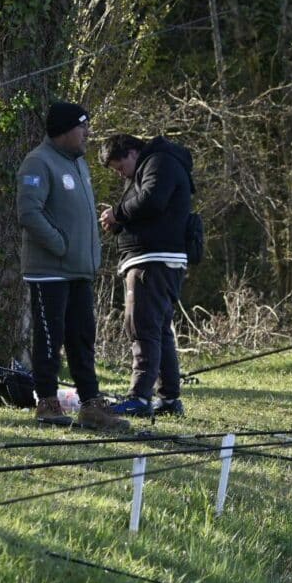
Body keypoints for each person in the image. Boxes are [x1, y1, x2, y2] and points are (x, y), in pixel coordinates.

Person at [16, 102, 129, 433]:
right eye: (82, 128)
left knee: (82, 339)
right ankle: (47, 403)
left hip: (79, 271)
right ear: (64, 130)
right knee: (49, 339)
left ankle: (91, 405)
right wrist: (61, 245)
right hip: (49, 270)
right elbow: (29, 213)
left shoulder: (78, 164)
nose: (87, 134)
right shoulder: (38, 162)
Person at [98, 134, 193, 417]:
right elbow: (143, 209)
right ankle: (168, 398)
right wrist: (117, 223)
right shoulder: (154, 164)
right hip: (160, 259)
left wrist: (116, 214)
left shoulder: (158, 162)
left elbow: (151, 201)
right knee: (160, 330)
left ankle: (139, 397)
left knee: (141, 327)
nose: (120, 174)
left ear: (132, 151)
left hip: (151, 261)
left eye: (119, 167)